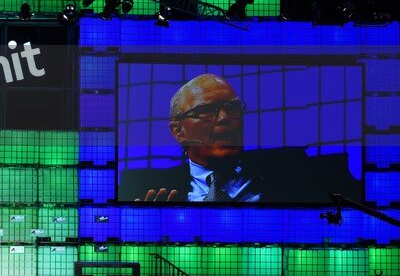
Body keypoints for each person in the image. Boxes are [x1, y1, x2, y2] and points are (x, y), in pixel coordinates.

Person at [118, 73, 361, 203]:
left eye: (233, 108)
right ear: (178, 131)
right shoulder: (142, 187)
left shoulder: (302, 169)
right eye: (208, 111)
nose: (225, 118)